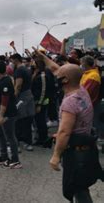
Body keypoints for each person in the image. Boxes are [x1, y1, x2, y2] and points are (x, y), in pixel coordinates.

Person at [36, 49, 103, 202]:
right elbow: (56, 69)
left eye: (59, 77)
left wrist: (56, 156)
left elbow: (65, 131)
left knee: (78, 189)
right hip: (85, 147)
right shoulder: (82, 89)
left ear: (65, 80)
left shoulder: (70, 101)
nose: (56, 77)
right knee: (80, 187)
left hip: (75, 152)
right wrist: (43, 57)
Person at [0, 60, 22, 169]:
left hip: (7, 114)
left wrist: (0, 116)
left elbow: (5, 101)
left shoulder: (6, 82)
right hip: (1, 113)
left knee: (10, 137)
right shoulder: (1, 81)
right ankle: (4, 156)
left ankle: (15, 160)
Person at [10, 53, 35, 152]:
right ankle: (28, 142)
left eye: (12, 61)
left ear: (16, 60)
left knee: (19, 120)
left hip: (22, 97)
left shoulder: (19, 70)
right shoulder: (26, 69)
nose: (11, 63)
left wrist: (14, 98)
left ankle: (19, 143)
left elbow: (18, 86)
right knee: (28, 120)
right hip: (29, 95)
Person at [31, 60, 51, 146]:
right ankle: (40, 137)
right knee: (38, 121)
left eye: (34, 62)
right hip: (36, 100)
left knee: (41, 121)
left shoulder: (42, 76)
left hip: (42, 102)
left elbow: (43, 90)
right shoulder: (37, 74)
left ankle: (43, 139)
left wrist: (39, 104)